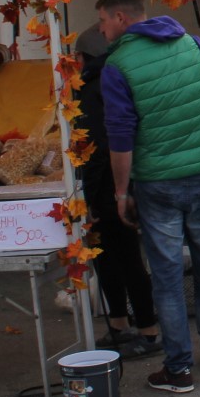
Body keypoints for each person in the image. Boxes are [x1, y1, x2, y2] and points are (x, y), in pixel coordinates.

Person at [97, 0, 200, 394]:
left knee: (166, 275)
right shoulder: (192, 44)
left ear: (121, 19)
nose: (101, 28)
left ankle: (177, 369)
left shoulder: (117, 65)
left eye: (103, 20)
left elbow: (120, 136)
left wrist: (121, 192)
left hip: (156, 183)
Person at [74, 28, 161, 359]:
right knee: (111, 257)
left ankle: (147, 331)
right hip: (129, 178)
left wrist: (90, 194)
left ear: (83, 58)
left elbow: (96, 147)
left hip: (109, 186)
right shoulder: (124, 76)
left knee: (122, 258)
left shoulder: (93, 87)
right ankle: (121, 325)